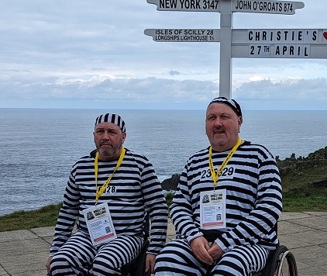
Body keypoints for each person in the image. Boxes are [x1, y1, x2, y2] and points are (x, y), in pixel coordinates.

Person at [154, 97, 282, 275]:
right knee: (167, 258)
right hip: (199, 242)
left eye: (224, 117)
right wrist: (194, 237)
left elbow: (270, 206)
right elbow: (179, 206)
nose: (218, 123)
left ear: (239, 121)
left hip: (248, 244)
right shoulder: (195, 161)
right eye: (211, 118)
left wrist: (226, 242)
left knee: (231, 265)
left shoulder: (259, 156)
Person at [46, 113, 168, 275]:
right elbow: (68, 211)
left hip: (127, 236)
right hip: (87, 236)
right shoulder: (80, 167)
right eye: (100, 131)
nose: (105, 137)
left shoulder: (139, 165)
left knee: (104, 264)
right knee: (60, 262)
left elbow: (158, 208)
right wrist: (55, 251)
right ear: (93, 135)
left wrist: (155, 249)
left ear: (123, 137)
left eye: (111, 132)